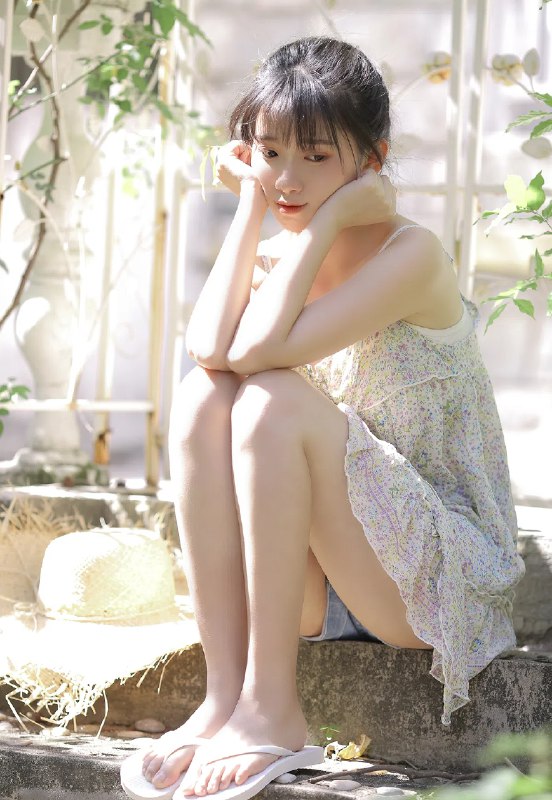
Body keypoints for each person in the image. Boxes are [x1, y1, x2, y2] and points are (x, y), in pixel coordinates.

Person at [124, 35, 525, 800]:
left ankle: (272, 711)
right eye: (271, 153)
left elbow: (259, 354)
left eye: (315, 157)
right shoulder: (286, 255)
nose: (288, 178)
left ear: (371, 161)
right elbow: (211, 350)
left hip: (434, 577)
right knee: (205, 395)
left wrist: (327, 222)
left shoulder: (412, 256)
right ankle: (224, 699)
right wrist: (251, 210)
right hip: (325, 570)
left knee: (270, 397)